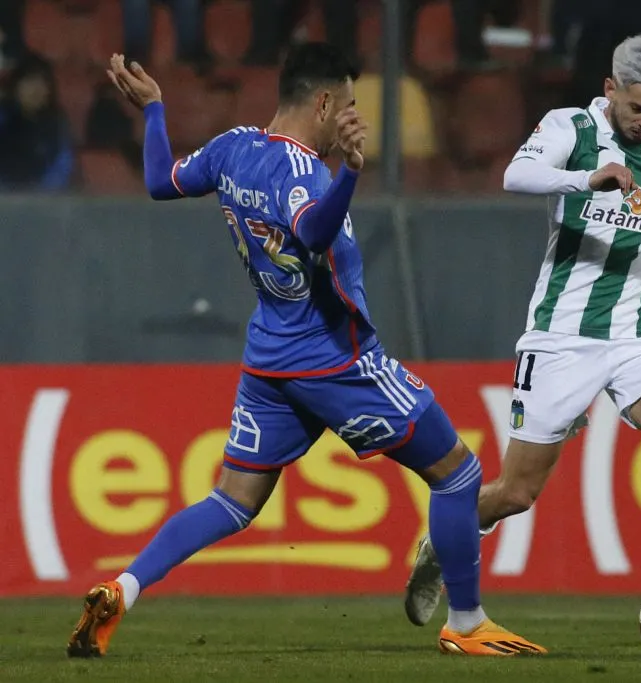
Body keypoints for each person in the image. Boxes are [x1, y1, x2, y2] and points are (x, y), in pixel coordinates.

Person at [66, 43, 544, 659]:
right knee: (459, 475)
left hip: (270, 358)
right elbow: (313, 231)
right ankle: (469, 623)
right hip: (336, 359)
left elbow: (160, 181)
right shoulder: (305, 172)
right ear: (322, 102)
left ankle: (121, 589)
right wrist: (349, 170)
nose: (350, 116)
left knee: (231, 500)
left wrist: (156, 110)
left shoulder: (232, 147)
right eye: (346, 105)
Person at [404, 34, 641, 635]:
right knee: (517, 492)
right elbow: (516, 176)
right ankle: (441, 545)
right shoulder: (571, 128)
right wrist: (585, 180)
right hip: (564, 337)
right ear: (610, 90)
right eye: (638, 108)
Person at [0, 53, 74, 192]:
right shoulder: (3, 119)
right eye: (29, 81)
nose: (36, 89)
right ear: (15, 87)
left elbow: (60, 170)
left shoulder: (57, 124)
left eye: (43, 83)